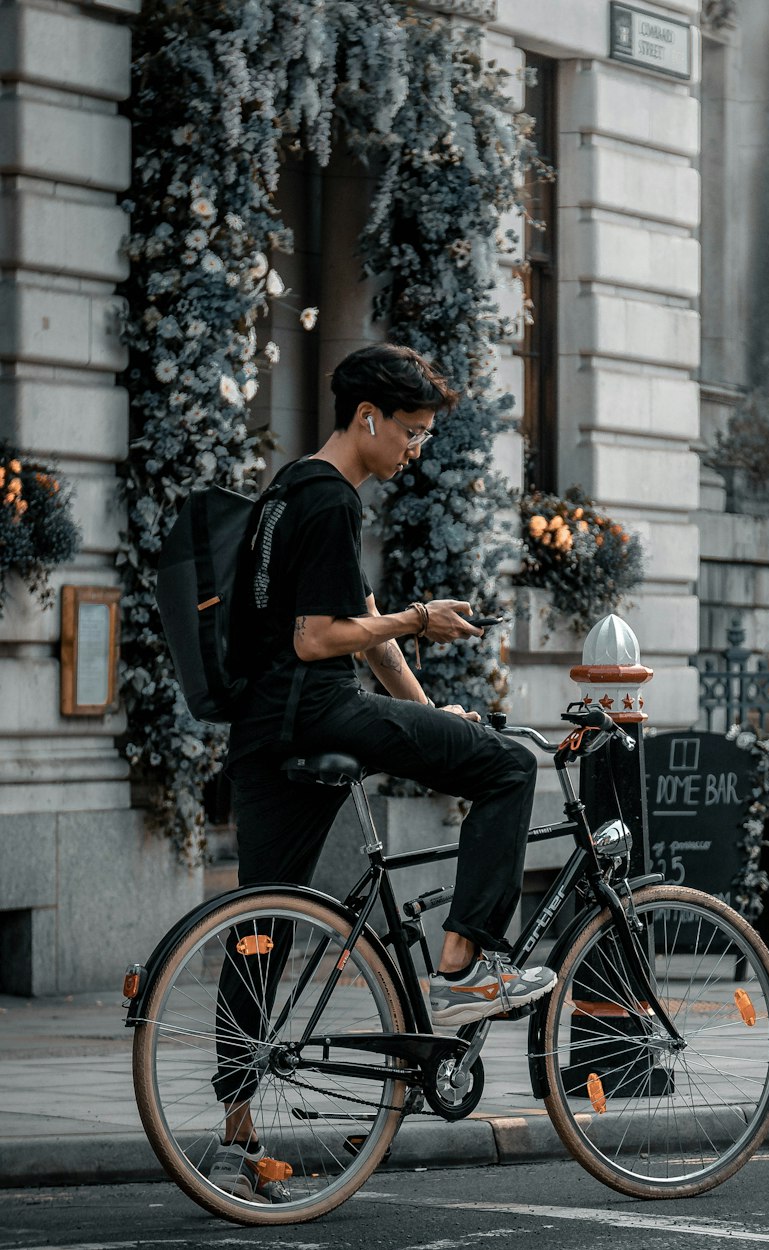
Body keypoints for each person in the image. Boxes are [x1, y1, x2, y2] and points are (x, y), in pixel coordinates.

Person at [209, 343, 555, 1202]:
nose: (417, 448)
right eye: (410, 430)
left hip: (262, 728)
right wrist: (422, 617)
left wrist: (430, 708)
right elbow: (319, 637)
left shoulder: (289, 488)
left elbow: (360, 621)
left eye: (426, 434)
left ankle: (234, 1128)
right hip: (318, 706)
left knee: (264, 919)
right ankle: (461, 968)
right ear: (367, 418)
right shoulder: (331, 503)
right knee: (508, 770)